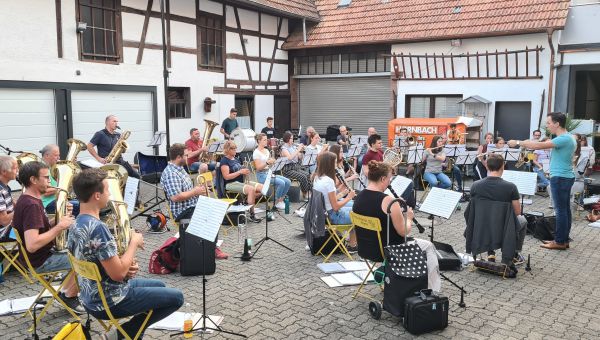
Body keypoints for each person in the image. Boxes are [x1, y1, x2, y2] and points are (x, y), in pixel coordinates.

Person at [68, 168, 184, 340]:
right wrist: (133, 243)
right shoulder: (98, 228)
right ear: (97, 196)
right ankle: (124, 334)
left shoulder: (76, 223)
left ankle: (132, 334)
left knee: (160, 286)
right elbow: (119, 274)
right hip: (109, 300)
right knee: (177, 298)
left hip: (90, 297)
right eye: (107, 189)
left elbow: (100, 264)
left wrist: (125, 264)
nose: (110, 193)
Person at [353, 161, 441, 292]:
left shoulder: (358, 196)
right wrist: (408, 217)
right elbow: (404, 232)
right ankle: (432, 290)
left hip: (365, 249)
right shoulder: (388, 201)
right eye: (389, 179)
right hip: (389, 251)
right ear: (382, 178)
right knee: (429, 246)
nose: (390, 182)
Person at [12, 161, 81, 311]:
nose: (49, 181)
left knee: (81, 250)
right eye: (46, 177)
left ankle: (65, 292)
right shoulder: (32, 205)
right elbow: (32, 244)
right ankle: (69, 296)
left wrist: (58, 219)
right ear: (33, 180)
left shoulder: (27, 199)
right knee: (89, 258)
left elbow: (37, 228)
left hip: (39, 257)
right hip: (41, 260)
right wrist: (60, 226)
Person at [508, 112, 576, 250]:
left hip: (561, 178)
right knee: (565, 210)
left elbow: (537, 146)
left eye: (549, 123)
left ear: (557, 124)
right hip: (564, 177)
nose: (547, 126)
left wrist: (517, 142)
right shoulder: (568, 137)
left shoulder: (564, 138)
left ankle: (560, 241)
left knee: (561, 211)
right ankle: (563, 239)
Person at [160, 144, 229, 259]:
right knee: (209, 215)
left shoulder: (179, 169)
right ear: (178, 157)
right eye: (186, 155)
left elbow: (187, 190)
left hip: (191, 206)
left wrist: (199, 189)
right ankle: (211, 249)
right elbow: (176, 197)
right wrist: (195, 192)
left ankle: (211, 246)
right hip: (182, 211)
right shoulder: (171, 174)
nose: (188, 157)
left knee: (215, 210)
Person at [468, 154, 527, 264]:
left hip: (481, 225)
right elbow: (517, 212)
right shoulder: (511, 187)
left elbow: (472, 210)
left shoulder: (475, 185)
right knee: (523, 220)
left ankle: (491, 254)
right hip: (504, 227)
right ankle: (514, 254)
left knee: (489, 219)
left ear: (487, 167)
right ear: (502, 167)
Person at [220, 140, 263, 222]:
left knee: (262, 188)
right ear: (228, 150)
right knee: (251, 190)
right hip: (230, 183)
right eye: (234, 149)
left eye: (235, 148)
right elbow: (226, 177)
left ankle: (248, 202)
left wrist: (244, 170)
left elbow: (240, 170)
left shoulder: (236, 159)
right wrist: (240, 172)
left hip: (240, 181)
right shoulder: (224, 161)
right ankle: (252, 214)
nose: (236, 150)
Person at [87, 115, 140, 179]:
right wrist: (99, 159)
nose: (116, 123)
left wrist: (123, 147)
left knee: (136, 176)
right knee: (119, 180)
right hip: (108, 164)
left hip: (120, 162)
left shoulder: (118, 134)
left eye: (117, 121)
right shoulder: (100, 134)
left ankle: (132, 189)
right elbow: (89, 146)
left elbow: (123, 151)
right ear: (107, 122)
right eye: (114, 121)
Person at [312, 152, 356, 227]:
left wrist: (340, 191)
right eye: (335, 162)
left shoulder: (317, 178)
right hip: (333, 216)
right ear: (329, 164)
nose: (336, 165)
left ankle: (351, 239)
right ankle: (353, 238)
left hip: (324, 214)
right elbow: (335, 207)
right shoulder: (329, 181)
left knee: (356, 206)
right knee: (360, 213)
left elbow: (327, 198)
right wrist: (349, 197)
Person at [253, 133, 291, 210]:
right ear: (259, 141)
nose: (266, 141)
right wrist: (267, 163)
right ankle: (276, 202)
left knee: (288, 181)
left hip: (269, 173)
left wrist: (274, 162)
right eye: (264, 140)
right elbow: (258, 168)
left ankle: (280, 200)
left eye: (266, 139)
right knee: (281, 183)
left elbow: (270, 163)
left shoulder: (267, 150)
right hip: (261, 175)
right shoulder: (256, 152)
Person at [40, 144, 80, 216]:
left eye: (59, 155)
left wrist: (71, 164)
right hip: (47, 204)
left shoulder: (53, 167)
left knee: (84, 201)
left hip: (58, 199)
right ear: (46, 155)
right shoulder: (41, 169)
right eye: (56, 155)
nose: (58, 158)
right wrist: (64, 187)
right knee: (81, 206)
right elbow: (45, 191)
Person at [280, 131, 310, 200]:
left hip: (295, 167)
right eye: (291, 138)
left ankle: (308, 192)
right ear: (287, 139)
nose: (292, 140)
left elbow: (299, 157)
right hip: (287, 169)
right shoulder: (284, 148)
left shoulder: (293, 147)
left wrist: (302, 151)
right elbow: (290, 157)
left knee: (308, 175)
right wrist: (298, 150)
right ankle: (305, 194)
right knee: (303, 177)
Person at [0, 156, 18, 240]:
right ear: (4, 171)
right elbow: (4, 221)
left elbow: (12, 207)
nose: (17, 171)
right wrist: (20, 208)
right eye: (15, 168)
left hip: (9, 226)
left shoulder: (5, 188)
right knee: (33, 226)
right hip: (3, 232)